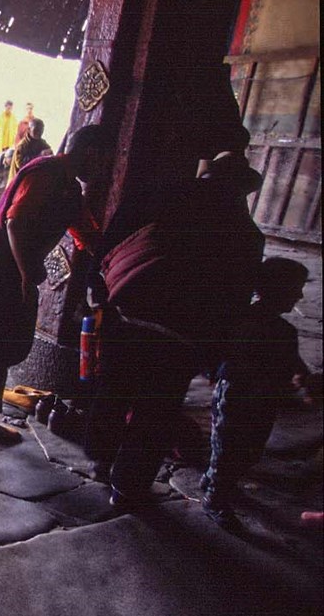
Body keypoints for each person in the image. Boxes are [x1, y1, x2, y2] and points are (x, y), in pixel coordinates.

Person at [93, 150, 266, 511]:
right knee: (155, 412)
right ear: (241, 188)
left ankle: (100, 459)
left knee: (113, 390)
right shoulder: (247, 234)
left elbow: (111, 241)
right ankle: (126, 487)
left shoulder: (160, 195)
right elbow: (234, 299)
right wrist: (213, 353)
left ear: (207, 174)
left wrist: (98, 290)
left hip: (128, 314)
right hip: (181, 336)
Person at [0, 125, 112, 452]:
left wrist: (109, 261)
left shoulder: (70, 190)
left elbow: (85, 234)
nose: (103, 171)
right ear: (91, 153)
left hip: (16, 276)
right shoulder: (45, 172)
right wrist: (27, 274)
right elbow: (14, 222)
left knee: (5, 349)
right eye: (103, 162)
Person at [200, 258, 318, 530]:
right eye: (295, 288)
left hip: (263, 401)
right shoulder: (246, 323)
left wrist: (302, 378)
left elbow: (293, 362)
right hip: (236, 398)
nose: (300, 296)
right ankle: (214, 497)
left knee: (247, 450)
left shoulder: (282, 330)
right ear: (277, 289)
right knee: (228, 449)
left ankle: (216, 481)